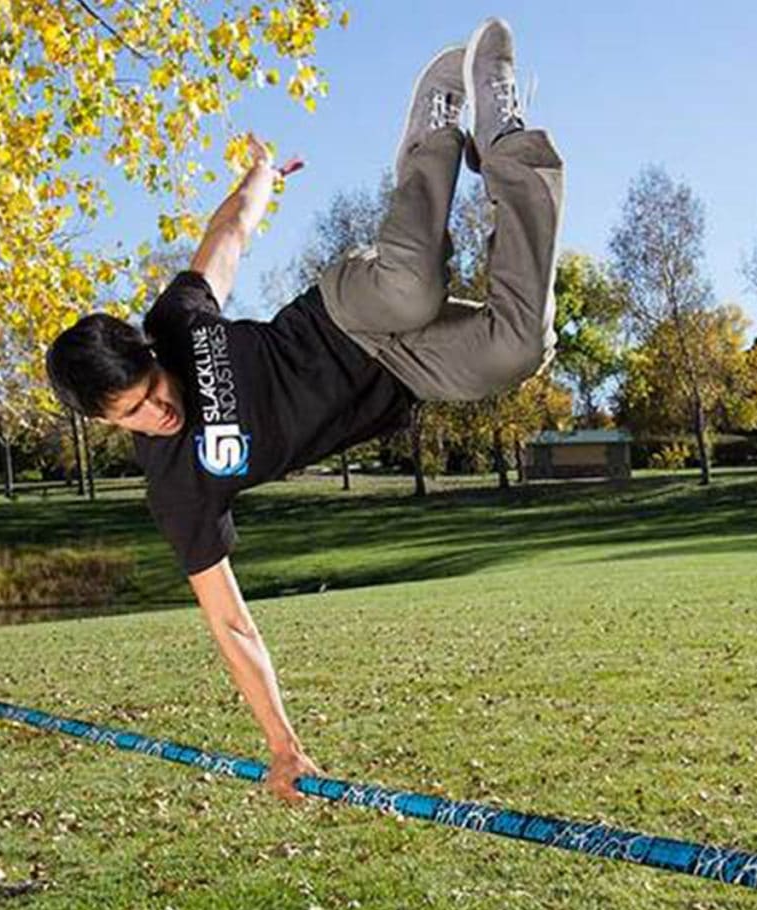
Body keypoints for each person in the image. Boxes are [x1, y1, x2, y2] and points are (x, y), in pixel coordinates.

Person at [45, 17, 564, 802]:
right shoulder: (178, 489)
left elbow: (228, 238)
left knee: (412, 287)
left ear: (151, 358)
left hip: (346, 311)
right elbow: (230, 624)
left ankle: (450, 135)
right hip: (403, 375)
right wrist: (283, 746)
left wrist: (260, 175)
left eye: (154, 391)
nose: (158, 412)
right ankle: (505, 155)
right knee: (520, 346)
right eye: (133, 415)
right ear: (107, 424)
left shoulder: (178, 324)